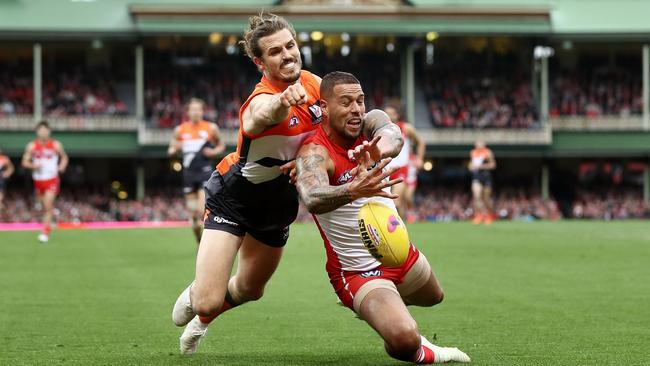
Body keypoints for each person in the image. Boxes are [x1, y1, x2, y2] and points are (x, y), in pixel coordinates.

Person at [295, 72, 470, 364]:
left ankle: (381, 308)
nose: (356, 109)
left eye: (360, 100)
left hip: (397, 250)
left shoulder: (370, 123)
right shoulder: (314, 152)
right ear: (324, 107)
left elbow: (395, 136)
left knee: (434, 296)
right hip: (358, 270)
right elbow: (312, 198)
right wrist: (354, 189)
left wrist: (378, 150)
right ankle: (417, 343)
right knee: (404, 338)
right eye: (346, 102)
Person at [168, 98, 225, 243]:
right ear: (187, 112)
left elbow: (221, 145)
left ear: (202, 111)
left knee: (201, 209)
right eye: (192, 109)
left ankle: (206, 237)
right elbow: (171, 149)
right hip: (188, 174)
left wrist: (213, 152)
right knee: (193, 217)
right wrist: (175, 149)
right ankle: (198, 236)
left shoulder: (210, 128)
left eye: (198, 109)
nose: (195, 112)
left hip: (204, 172)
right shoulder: (180, 130)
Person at [21, 121, 68, 242]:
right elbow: (24, 162)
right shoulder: (31, 146)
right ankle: (51, 217)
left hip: (51, 178)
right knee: (44, 207)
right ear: (37, 132)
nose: (43, 132)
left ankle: (45, 232)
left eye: (45, 130)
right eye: (40, 130)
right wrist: (33, 166)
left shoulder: (55, 144)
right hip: (38, 180)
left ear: (49, 131)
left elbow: (64, 157)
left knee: (47, 205)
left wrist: (62, 166)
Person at [384, 105, 425, 219]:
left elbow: (421, 142)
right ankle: (400, 231)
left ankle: (399, 230)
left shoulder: (406, 128)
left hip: (400, 169)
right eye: (386, 113)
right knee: (395, 204)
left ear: (397, 115)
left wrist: (420, 158)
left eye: (391, 113)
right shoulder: (380, 129)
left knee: (396, 203)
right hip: (384, 169)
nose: (389, 116)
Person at [469, 140, 496, 225]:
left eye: (480, 143)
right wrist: (471, 166)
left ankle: (490, 214)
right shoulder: (472, 152)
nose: (478, 144)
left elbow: (493, 165)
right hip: (476, 176)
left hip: (486, 176)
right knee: (476, 196)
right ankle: (479, 215)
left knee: (486, 198)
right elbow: (472, 164)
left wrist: (481, 166)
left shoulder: (488, 152)